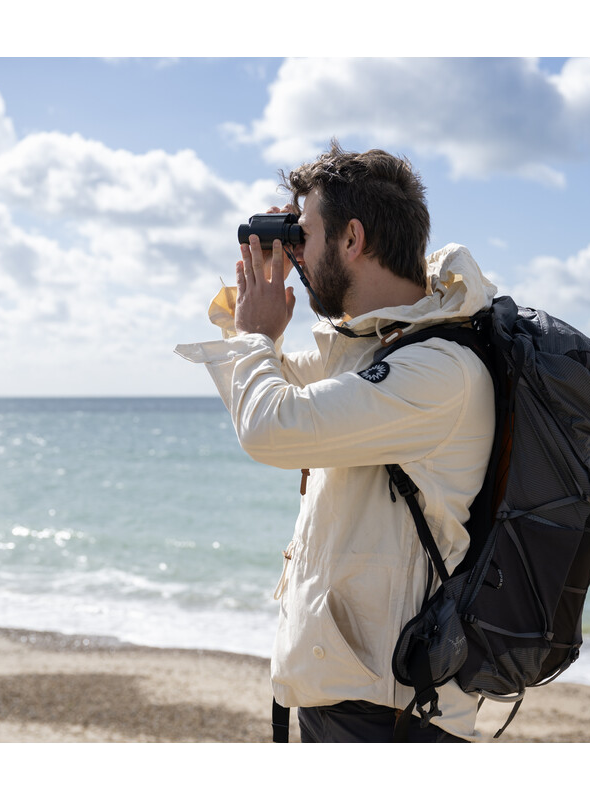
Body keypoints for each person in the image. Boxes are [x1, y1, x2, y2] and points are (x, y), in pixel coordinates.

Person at [176, 141, 497, 742]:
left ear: (352, 238)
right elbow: (259, 390)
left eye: (306, 234)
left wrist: (255, 336)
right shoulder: (370, 351)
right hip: (350, 694)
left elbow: (270, 427)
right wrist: (250, 313)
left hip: (394, 713)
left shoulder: (438, 370)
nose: (297, 249)